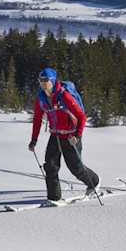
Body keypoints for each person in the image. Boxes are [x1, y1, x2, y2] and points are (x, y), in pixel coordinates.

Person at [29, 68, 99, 203]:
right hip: (55, 134)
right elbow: (37, 119)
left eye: (45, 80)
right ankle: (54, 198)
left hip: (71, 135)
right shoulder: (41, 97)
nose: (43, 83)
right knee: (50, 166)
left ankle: (94, 181)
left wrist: (77, 135)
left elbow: (81, 116)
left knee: (75, 167)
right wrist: (34, 140)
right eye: (40, 80)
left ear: (53, 81)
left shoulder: (64, 96)